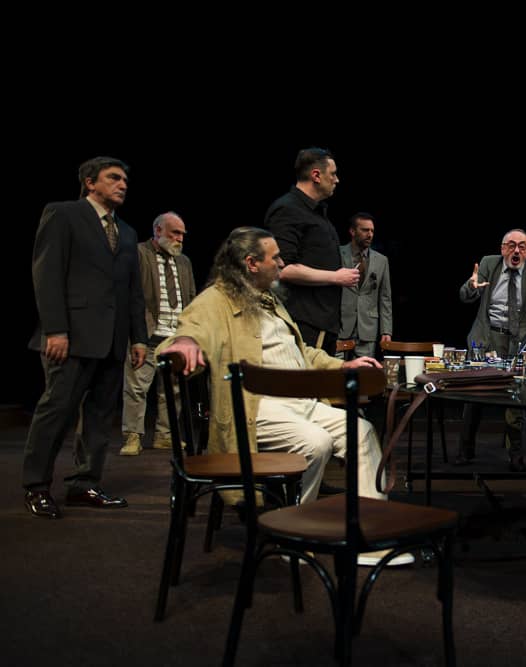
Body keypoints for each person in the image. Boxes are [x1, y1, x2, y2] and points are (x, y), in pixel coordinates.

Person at [158, 227, 411, 566]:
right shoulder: (216, 300)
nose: (281, 263)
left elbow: (301, 352)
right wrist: (185, 343)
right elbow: (190, 329)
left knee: (361, 432)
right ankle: (294, 536)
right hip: (256, 407)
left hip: (300, 403)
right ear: (251, 263)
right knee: (315, 442)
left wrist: (342, 366)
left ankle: (368, 538)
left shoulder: (270, 300)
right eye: (275, 257)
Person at [23, 157, 148, 519]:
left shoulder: (126, 232)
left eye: (125, 180)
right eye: (114, 178)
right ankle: (36, 486)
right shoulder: (63, 214)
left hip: (113, 340)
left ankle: (84, 483)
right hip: (72, 337)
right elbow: (46, 274)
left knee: (99, 417)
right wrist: (55, 329)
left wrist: (139, 338)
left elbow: (132, 290)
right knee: (56, 412)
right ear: (90, 182)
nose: (122, 184)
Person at [457, 229, 526, 471]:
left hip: (517, 342)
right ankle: (465, 450)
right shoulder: (489, 264)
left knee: (517, 398)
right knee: (473, 395)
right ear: (502, 249)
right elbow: (466, 297)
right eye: (511, 245)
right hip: (486, 336)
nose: (516, 250)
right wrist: (472, 286)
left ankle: (516, 455)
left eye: (522, 246)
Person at [264, 147, 359, 356]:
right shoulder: (288, 209)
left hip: (324, 321)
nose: (337, 180)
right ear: (316, 175)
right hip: (306, 321)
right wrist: (336, 277)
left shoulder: (317, 212)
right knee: (308, 377)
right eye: (333, 174)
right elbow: (282, 269)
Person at [120, 212, 197, 455]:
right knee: (136, 388)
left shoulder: (184, 261)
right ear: (158, 230)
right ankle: (133, 436)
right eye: (175, 233)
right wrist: (136, 336)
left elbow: (191, 298)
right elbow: (132, 296)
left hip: (174, 337)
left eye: (182, 234)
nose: (180, 238)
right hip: (147, 336)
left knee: (173, 391)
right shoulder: (139, 253)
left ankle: (165, 435)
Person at [339, 212, 392, 358]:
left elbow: (385, 298)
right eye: (365, 230)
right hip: (341, 325)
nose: (370, 235)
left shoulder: (381, 261)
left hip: (367, 327)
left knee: (364, 369)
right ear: (352, 231)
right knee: (336, 368)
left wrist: (386, 330)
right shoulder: (338, 253)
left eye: (372, 231)